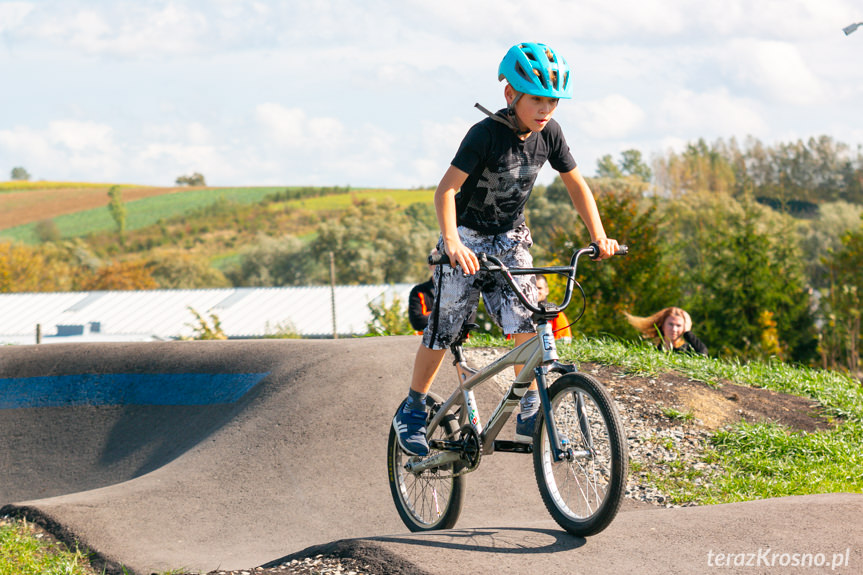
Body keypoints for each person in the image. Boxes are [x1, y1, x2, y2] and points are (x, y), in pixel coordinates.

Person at [393, 42, 621, 456]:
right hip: (465, 237)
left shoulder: (549, 133)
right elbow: (446, 190)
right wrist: (453, 242)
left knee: (527, 318)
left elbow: (575, 183)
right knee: (445, 326)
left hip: (510, 237)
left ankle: (531, 408)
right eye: (537, 98)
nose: (546, 109)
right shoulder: (485, 135)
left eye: (553, 100)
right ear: (510, 95)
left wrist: (599, 235)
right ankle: (411, 408)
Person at [624, 307, 708, 356]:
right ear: (663, 326)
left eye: (678, 326)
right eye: (670, 324)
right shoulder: (653, 350)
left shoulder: (688, 350)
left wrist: (688, 333)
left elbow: (703, 354)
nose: (674, 329)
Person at [535, 274, 572, 344]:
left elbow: (565, 340)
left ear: (547, 290)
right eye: (533, 288)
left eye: (539, 288)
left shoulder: (555, 312)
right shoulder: (521, 313)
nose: (536, 291)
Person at [408, 251, 437, 333]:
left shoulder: (459, 291)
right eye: (438, 262)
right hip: (424, 342)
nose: (442, 267)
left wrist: (431, 315)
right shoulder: (419, 291)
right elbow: (417, 322)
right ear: (430, 265)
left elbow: (466, 320)